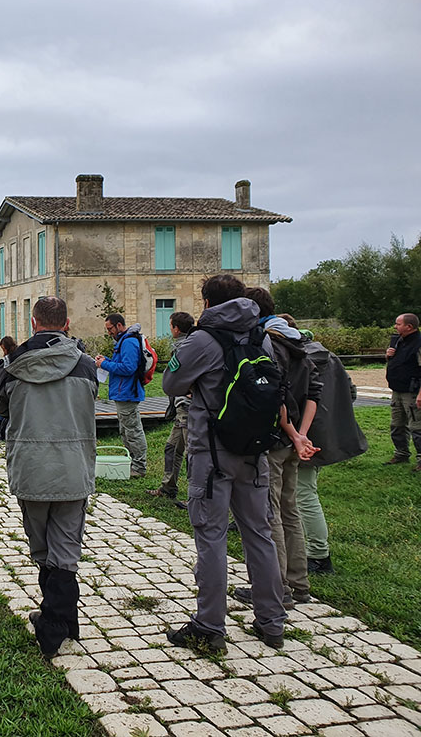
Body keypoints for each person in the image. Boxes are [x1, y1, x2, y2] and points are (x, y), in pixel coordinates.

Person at [162, 275, 288, 651]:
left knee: (211, 537)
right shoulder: (260, 336)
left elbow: (170, 383)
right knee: (259, 534)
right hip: (254, 450)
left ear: (206, 302)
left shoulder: (202, 339)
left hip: (212, 453)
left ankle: (210, 626)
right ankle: (272, 622)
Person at [0, 297, 97, 659]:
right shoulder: (85, 366)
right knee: (66, 549)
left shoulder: (11, 367)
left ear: (34, 323)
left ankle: (53, 626)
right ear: (66, 323)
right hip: (73, 465)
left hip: (31, 465)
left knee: (42, 548)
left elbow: (2, 410)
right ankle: (64, 618)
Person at [232, 288, 320, 611]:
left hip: (275, 439)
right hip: (296, 442)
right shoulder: (300, 343)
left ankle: (277, 586)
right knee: (290, 510)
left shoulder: (269, 343)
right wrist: (303, 436)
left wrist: (293, 433)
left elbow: (275, 396)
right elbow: (314, 393)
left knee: (270, 515)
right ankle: (300, 584)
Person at [276, 315, 367, 576]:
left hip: (300, 434)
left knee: (303, 494)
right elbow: (351, 392)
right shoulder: (327, 354)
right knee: (300, 491)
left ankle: (318, 554)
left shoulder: (296, 358)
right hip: (322, 431)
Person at [95, 313, 147, 478]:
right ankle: (133, 463)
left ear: (119, 325)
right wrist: (107, 360)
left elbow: (128, 368)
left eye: (110, 328)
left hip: (128, 393)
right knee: (126, 430)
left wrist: (104, 364)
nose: (109, 332)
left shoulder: (129, 342)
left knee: (133, 431)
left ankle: (139, 467)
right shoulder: (123, 341)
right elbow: (122, 364)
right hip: (122, 393)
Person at [149, 312, 194, 504]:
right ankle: (168, 486)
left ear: (176, 328)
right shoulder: (188, 345)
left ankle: (195, 497)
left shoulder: (185, 348)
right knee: (171, 447)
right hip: (180, 407)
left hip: (187, 407)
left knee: (192, 453)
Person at [385, 313, 421, 469]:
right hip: (397, 390)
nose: (395, 326)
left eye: (398, 324)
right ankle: (401, 453)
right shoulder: (399, 340)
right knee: (397, 424)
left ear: (409, 326)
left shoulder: (418, 343)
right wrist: (388, 356)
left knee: (417, 427)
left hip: (412, 391)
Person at [0, 336, 18, 439]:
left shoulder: (10, 360)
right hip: (4, 389)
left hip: (7, 389)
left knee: (4, 413)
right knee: (3, 413)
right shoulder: (4, 361)